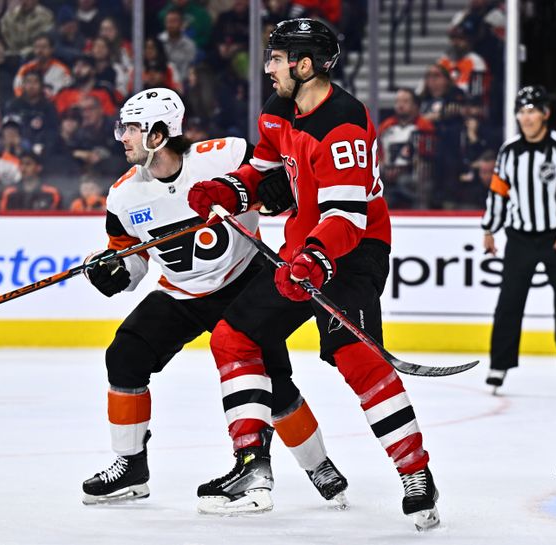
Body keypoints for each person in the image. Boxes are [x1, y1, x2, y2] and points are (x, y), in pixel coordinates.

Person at [186, 19, 440, 530]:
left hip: (353, 253)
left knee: (356, 360)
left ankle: (416, 473)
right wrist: (225, 191)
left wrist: (314, 260)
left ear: (304, 65)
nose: (269, 68)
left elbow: (348, 218)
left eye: (277, 59)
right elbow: (265, 178)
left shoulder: (344, 122)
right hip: (303, 251)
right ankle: (251, 469)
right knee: (233, 340)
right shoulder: (278, 112)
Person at [80, 87, 348, 508]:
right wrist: (114, 271)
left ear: (158, 135)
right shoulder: (124, 196)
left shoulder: (224, 157)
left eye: (131, 128)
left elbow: (276, 180)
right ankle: (130, 466)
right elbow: (131, 263)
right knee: (125, 354)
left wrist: (275, 191)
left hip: (246, 279)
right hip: (183, 292)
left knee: (274, 382)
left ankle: (319, 465)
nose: (122, 137)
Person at [482, 85, 556, 390]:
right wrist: (490, 228)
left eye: (532, 110)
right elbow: (498, 193)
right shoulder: (510, 151)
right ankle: (499, 366)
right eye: (521, 111)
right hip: (519, 237)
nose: (526, 117)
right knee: (509, 302)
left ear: (545, 113)